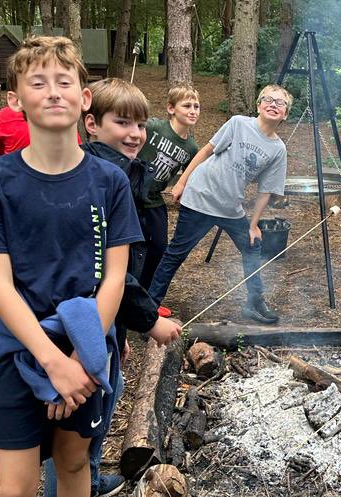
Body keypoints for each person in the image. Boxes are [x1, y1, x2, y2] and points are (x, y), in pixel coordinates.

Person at [0, 36, 142, 497]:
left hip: (84, 353)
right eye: (37, 82)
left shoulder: (110, 181)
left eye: (64, 81)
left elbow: (115, 277)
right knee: (17, 486)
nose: (52, 91)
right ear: (15, 99)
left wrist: (80, 359)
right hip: (18, 351)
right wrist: (50, 362)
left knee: (73, 461)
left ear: (84, 97)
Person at [42, 77, 183, 497]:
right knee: (74, 420)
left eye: (140, 125)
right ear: (91, 124)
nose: (135, 134)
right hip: (78, 320)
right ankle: (69, 485)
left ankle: (87, 477)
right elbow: (106, 270)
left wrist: (118, 331)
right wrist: (149, 320)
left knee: (109, 394)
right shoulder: (97, 178)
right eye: (122, 122)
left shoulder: (121, 172)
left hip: (103, 320)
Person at [147, 84, 292, 324]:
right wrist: (182, 182)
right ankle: (149, 310)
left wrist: (254, 224)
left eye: (280, 103)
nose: (273, 104)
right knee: (176, 253)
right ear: (258, 105)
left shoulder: (278, 149)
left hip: (229, 207)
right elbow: (206, 150)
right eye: (268, 99)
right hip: (200, 198)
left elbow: (266, 189)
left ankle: (254, 303)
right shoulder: (238, 124)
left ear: (285, 114)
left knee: (252, 246)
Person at [137, 85, 201, 317]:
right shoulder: (155, 127)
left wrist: (182, 188)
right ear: (171, 109)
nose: (193, 110)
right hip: (131, 196)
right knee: (132, 247)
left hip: (154, 200)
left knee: (160, 247)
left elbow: (189, 173)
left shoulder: (191, 147)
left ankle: (145, 296)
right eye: (187, 106)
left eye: (196, 106)